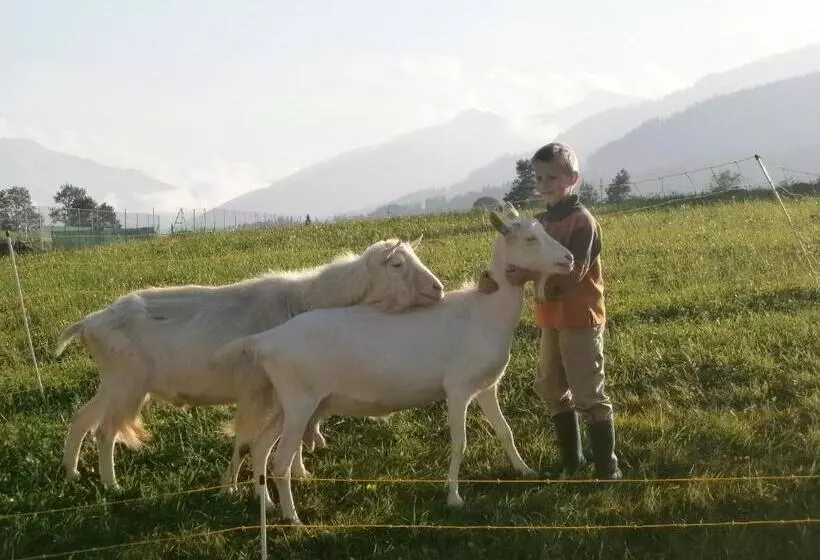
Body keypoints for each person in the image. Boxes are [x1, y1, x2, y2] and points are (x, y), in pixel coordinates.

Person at [478, 142, 622, 479]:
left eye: (553, 177)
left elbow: (575, 272)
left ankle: (607, 467)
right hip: (550, 318)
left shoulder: (582, 222)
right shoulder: (539, 222)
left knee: (588, 390)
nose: (545, 183)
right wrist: (492, 277)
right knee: (550, 385)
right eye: (540, 177)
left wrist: (529, 276)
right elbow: (516, 255)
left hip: (580, 317)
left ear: (572, 178)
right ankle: (572, 460)